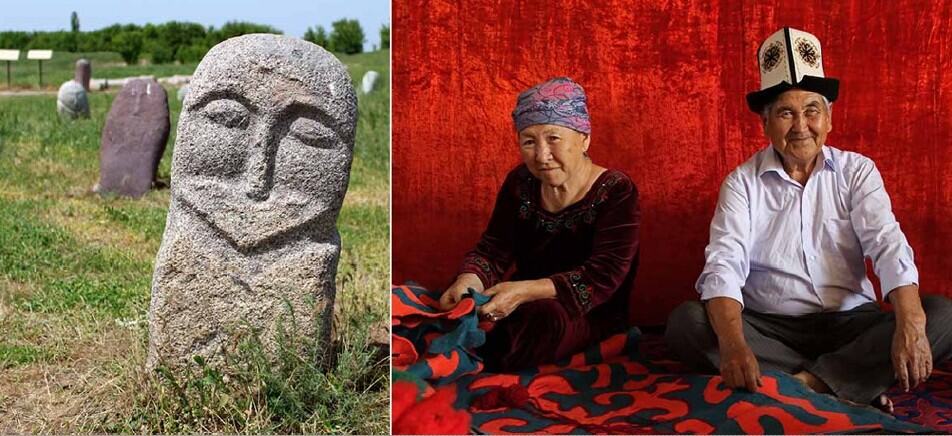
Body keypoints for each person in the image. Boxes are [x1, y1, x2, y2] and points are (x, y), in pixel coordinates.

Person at [665, 27, 952, 411]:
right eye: (785, 112)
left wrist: (912, 323)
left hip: (852, 324)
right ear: (765, 124)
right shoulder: (741, 183)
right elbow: (724, 265)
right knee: (687, 324)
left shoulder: (858, 172)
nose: (801, 125)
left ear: (829, 118)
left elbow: (887, 243)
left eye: (812, 111)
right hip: (769, 326)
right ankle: (845, 382)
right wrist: (735, 346)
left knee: (942, 315)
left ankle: (802, 384)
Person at [439, 77, 641, 372]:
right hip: (519, 296)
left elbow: (604, 276)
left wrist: (523, 291)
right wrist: (469, 281)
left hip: (587, 310)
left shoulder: (616, 191)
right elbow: (494, 249)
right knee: (456, 304)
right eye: (529, 142)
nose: (542, 156)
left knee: (540, 322)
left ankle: (469, 359)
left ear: (584, 138)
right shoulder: (521, 182)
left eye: (553, 139)